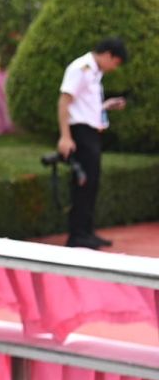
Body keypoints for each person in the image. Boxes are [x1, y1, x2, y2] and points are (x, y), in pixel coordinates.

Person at [57, 37, 128, 249]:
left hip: (91, 132)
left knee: (91, 183)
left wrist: (105, 106)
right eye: (115, 62)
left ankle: (86, 231)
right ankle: (77, 235)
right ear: (108, 55)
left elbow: (84, 104)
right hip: (80, 132)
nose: (114, 68)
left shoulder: (95, 72)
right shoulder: (81, 68)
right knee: (83, 183)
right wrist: (65, 136)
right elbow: (64, 101)